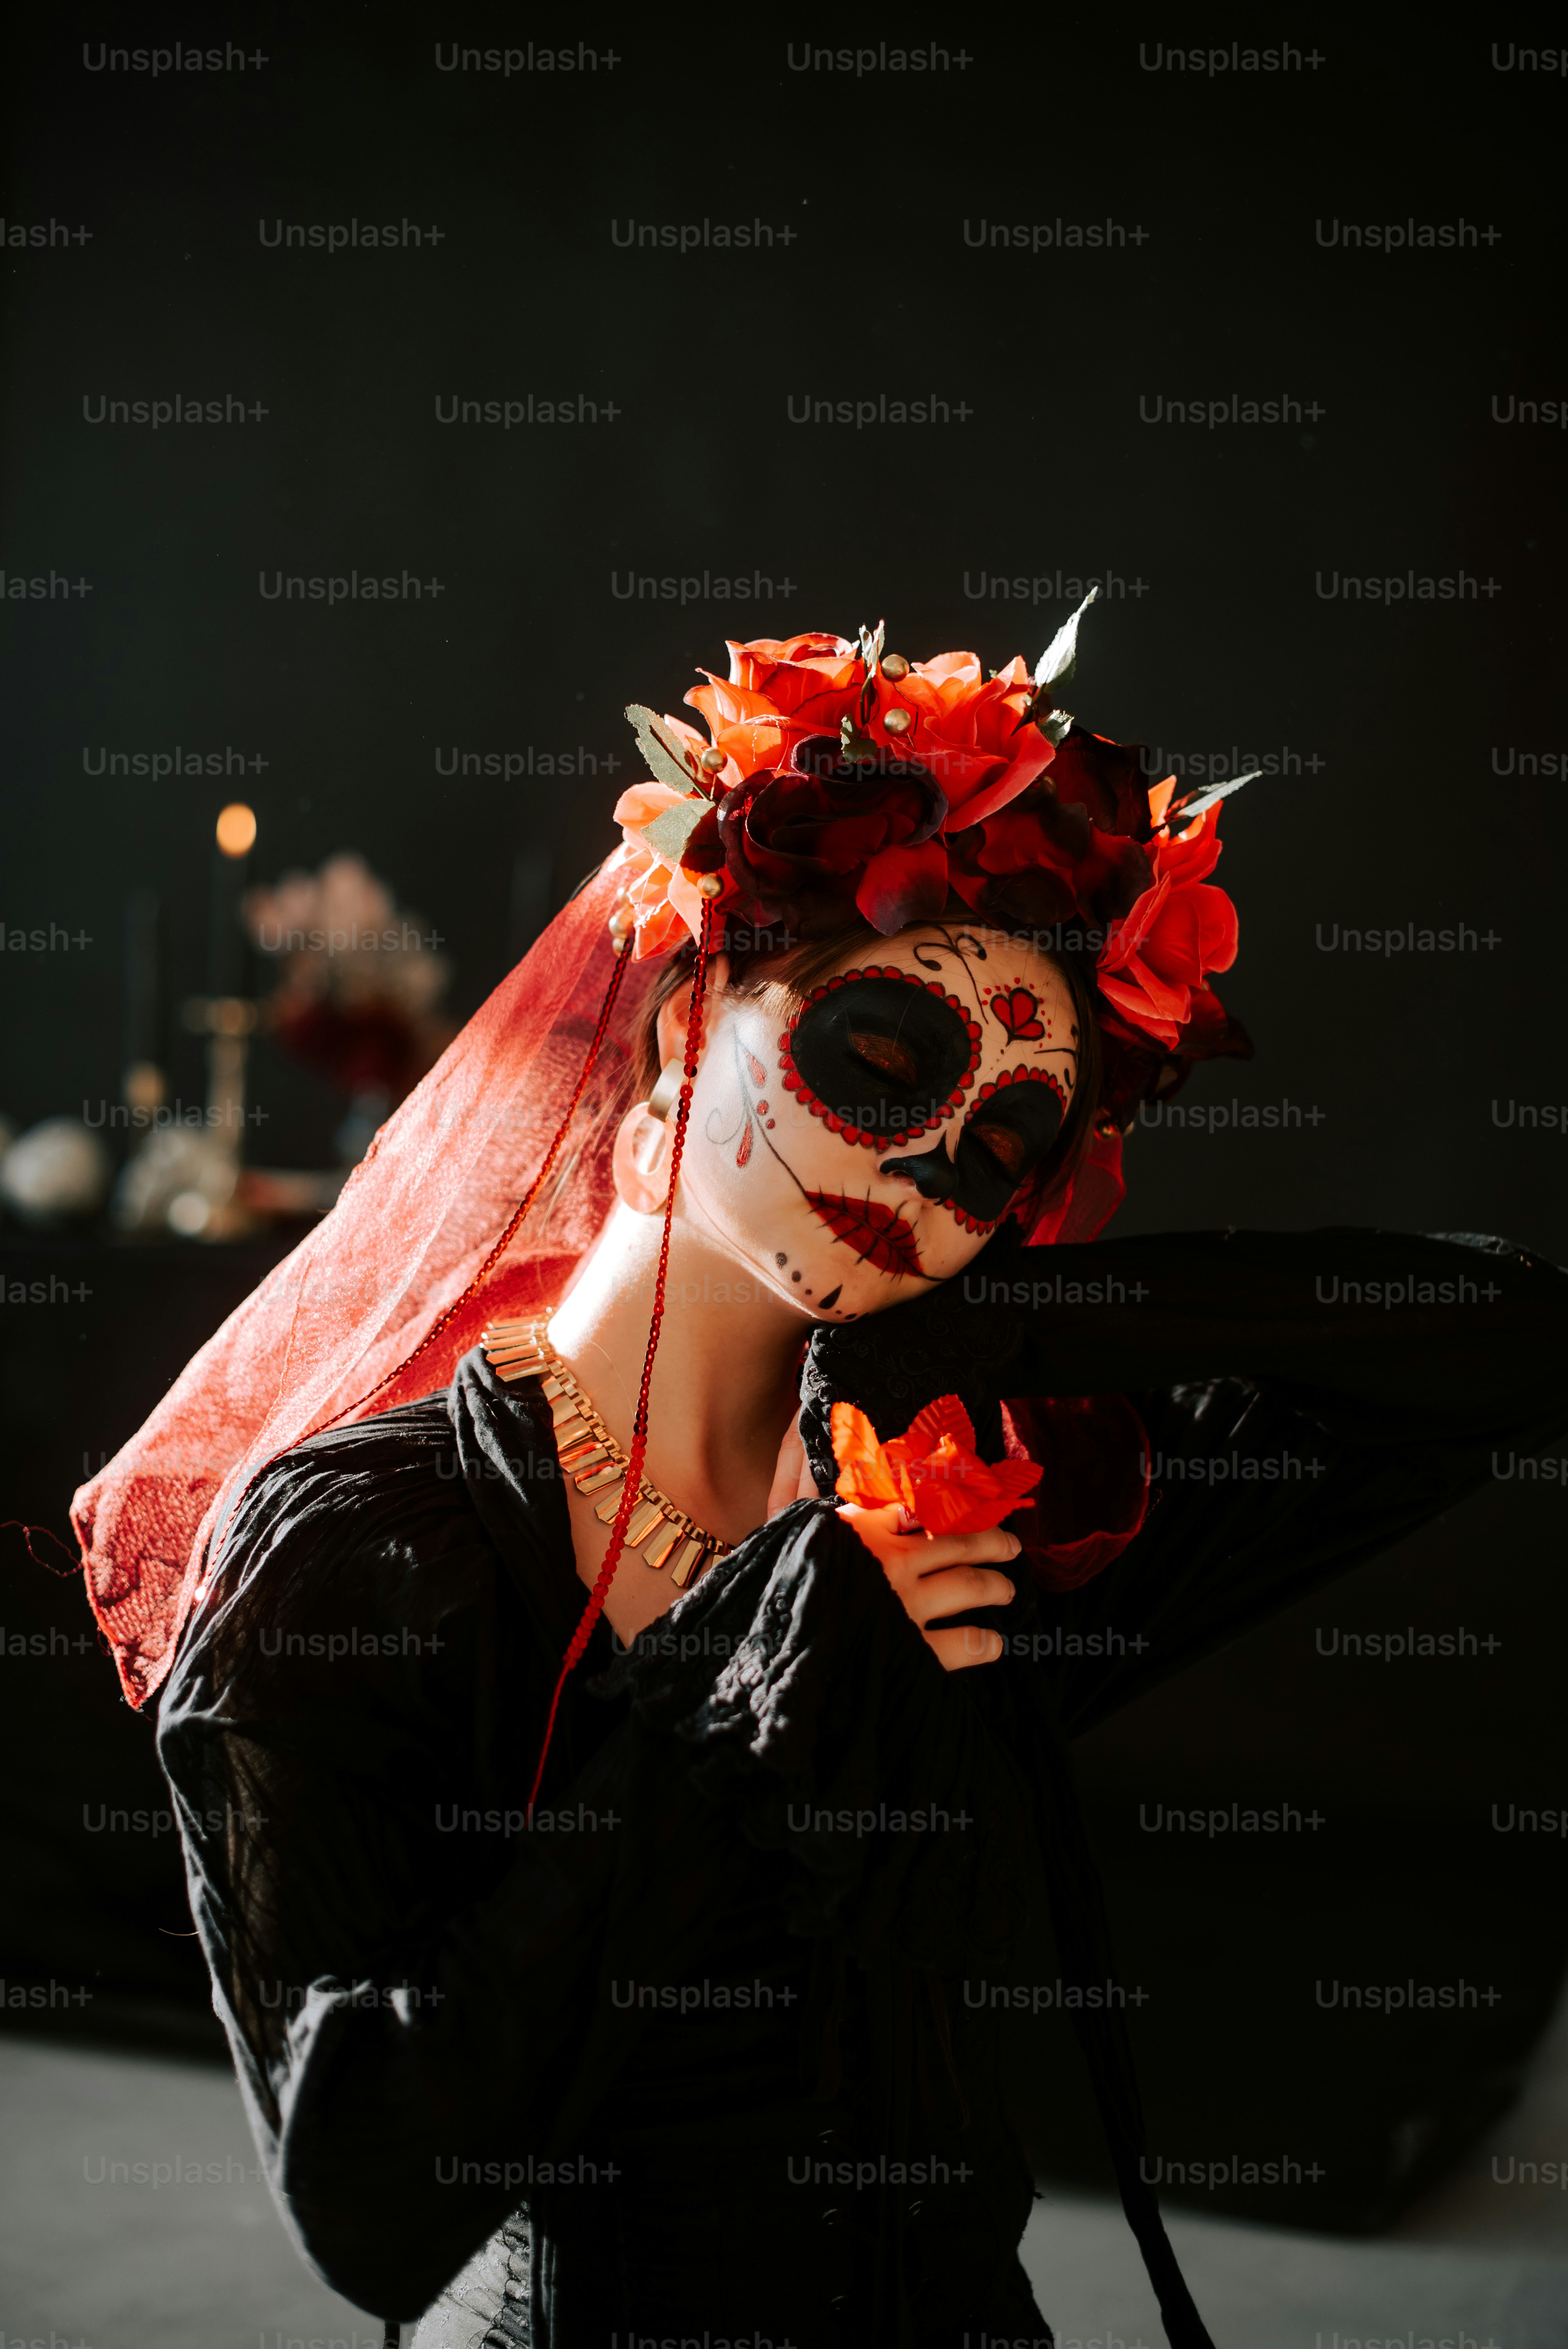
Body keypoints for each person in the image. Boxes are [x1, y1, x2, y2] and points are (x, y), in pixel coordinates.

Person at [73, 618, 1568, 2349]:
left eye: (1008, 1145)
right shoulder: (363, 1551)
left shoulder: (986, 1507)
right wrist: (744, 1687)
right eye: (881, 1055)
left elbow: (1509, 1341)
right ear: (674, 1034)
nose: (934, 1155)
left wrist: (1006, 1307)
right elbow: (371, 2191)